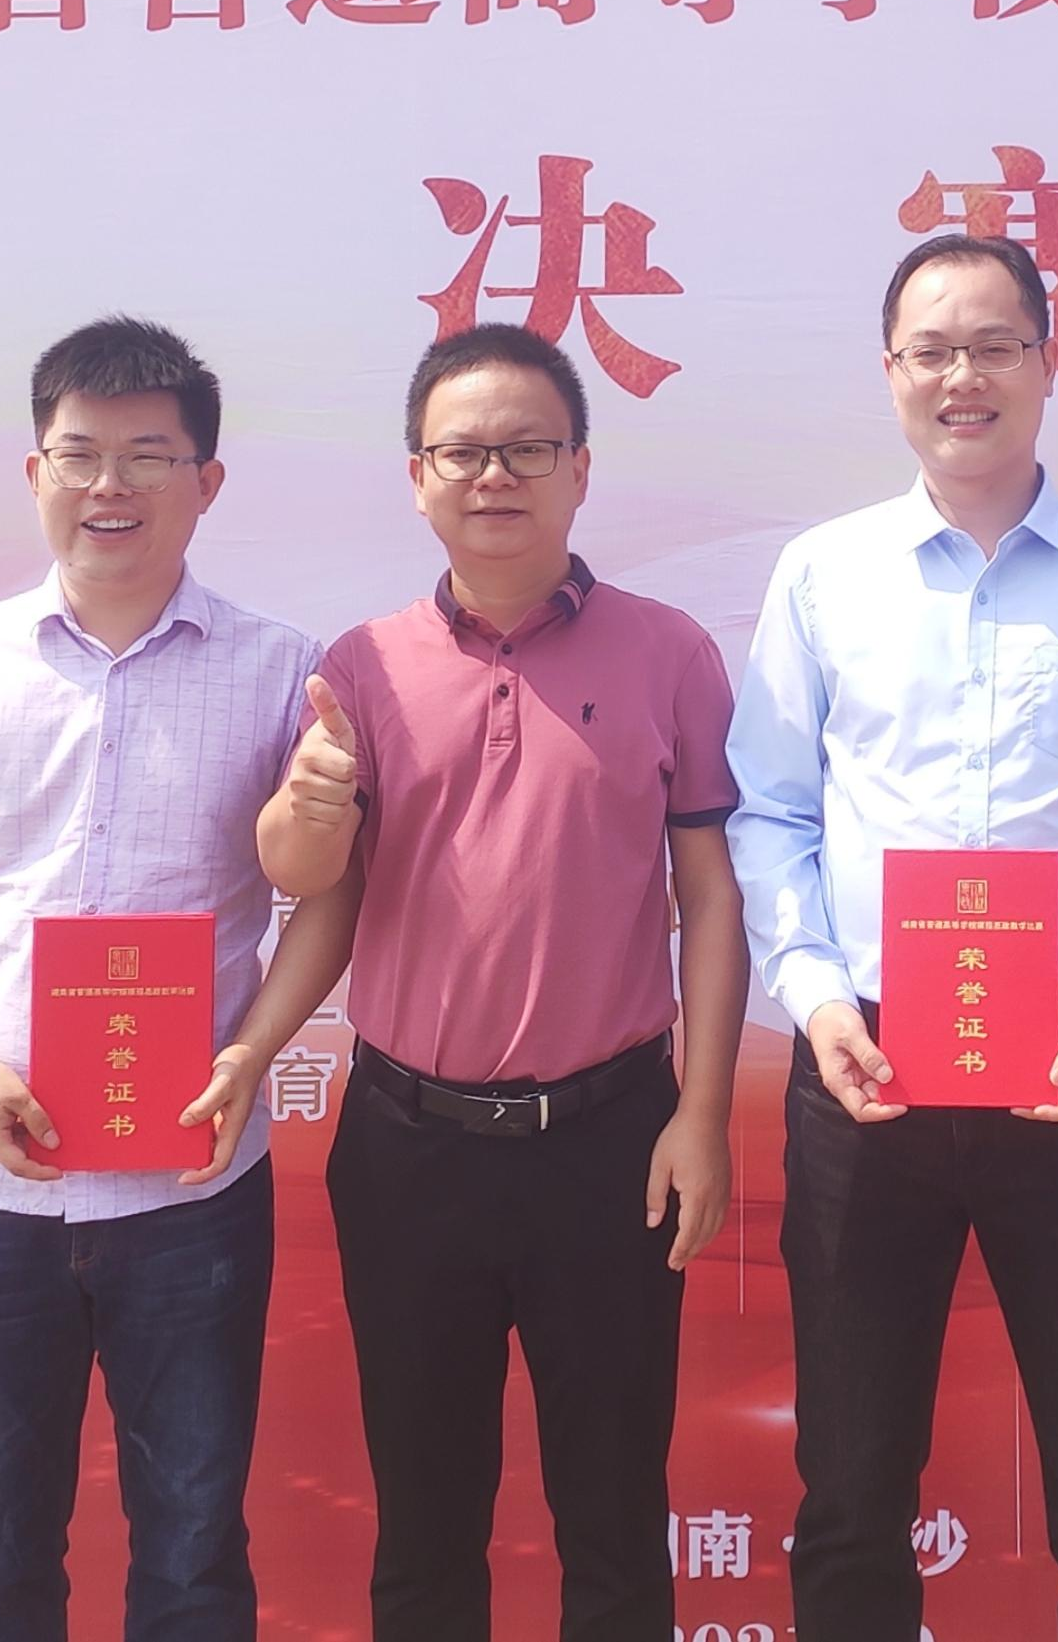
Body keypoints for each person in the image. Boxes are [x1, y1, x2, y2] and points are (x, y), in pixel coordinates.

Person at [726, 232, 1058, 1642]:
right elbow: (768, 809)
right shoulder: (823, 575)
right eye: (931, 350)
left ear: (1046, 362)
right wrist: (814, 996)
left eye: (994, 346)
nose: (962, 377)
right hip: (863, 1070)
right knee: (850, 1484)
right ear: (889, 372)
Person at [0, 314, 337, 1642]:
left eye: (149, 456)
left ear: (206, 482)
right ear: (34, 472)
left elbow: (329, 896)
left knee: (194, 1566)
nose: (111, 485)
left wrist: (253, 1049)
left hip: (190, 1193)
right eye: (80, 454)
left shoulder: (283, 672)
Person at [253, 322, 746, 1642]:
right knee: (425, 1526)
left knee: (614, 1521)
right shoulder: (360, 666)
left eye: (528, 448)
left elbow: (709, 898)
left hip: (612, 1144)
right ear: (416, 477)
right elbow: (311, 878)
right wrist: (304, 817)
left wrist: (701, 1117)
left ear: (581, 468)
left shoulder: (670, 654)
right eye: (462, 452)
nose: (494, 477)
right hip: (407, 1147)